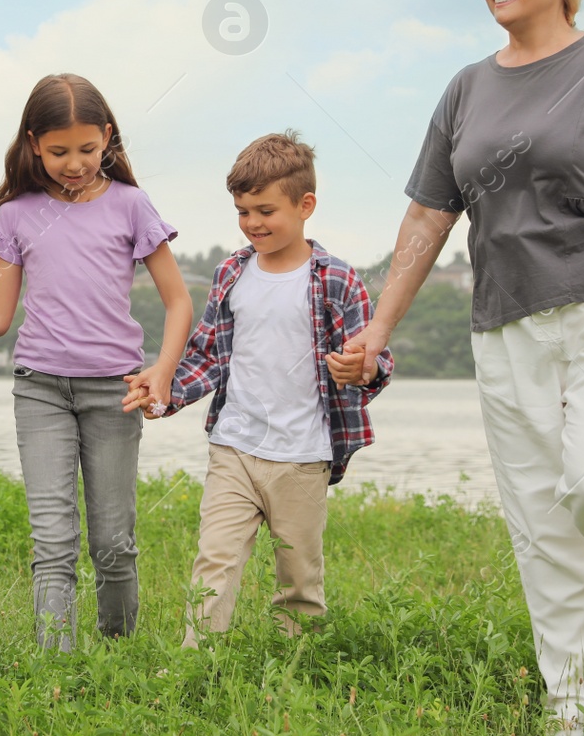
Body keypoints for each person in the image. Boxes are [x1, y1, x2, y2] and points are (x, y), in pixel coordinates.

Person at [330, 0, 584, 736]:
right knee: (541, 521)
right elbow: (427, 215)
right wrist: (380, 326)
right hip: (505, 328)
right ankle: (575, 710)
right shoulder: (466, 88)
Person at [0, 74, 192, 650]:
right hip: (41, 391)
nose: (74, 163)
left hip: (115, 391)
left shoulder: (131, 206)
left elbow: (178, 300)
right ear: (33, 143)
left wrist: (163, 370)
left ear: (107, 137)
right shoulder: (17, 214)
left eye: (86, 149)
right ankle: (58, 669)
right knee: (53, 541)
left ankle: (118, 649)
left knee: (112, 541)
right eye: (58, 152)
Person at [125, 132, 391, 648]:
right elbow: (206, 355)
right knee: (215, 559)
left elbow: (376, 361)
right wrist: (167, 395)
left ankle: (298, 667)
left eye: (265, 210)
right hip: (234, 447)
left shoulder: (336, 280)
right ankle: (193, 665)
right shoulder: (232, 271)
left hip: (303, 455)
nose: (253, 224)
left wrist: (360, 368)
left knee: (299, 577)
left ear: (305, 204)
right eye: (243, 212)